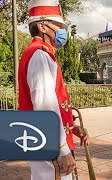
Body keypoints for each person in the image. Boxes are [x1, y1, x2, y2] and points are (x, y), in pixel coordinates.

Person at [18, 0, 88, 179]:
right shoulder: (40, 54)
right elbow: (45, 105)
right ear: (42, 26)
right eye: (58, 25)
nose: (62, 31)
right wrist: (62, 148)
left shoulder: (41, 53)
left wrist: (71, 128)